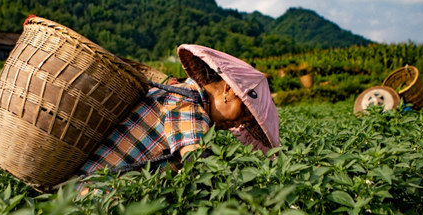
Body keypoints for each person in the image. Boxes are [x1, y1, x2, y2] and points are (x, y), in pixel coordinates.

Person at [76, 44, 280, 176]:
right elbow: (196, 161)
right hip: (91, 198)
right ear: (228, 89)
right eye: (243, 112)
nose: (238, 124)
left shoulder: (194, 104)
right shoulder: (186, 99)